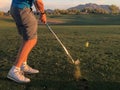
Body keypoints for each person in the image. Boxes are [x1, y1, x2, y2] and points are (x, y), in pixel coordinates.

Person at [7, 0, 47, 83]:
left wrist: (40, 12)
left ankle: (23, 65)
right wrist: (43, 14)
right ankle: (15, 70)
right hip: (22, 9)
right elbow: (39, 1)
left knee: (26, 38)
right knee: (31, 40)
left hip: (15, 8)